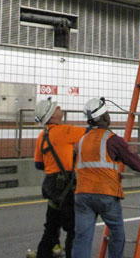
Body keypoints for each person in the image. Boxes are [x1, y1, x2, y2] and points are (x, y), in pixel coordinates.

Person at [72, 97, 140, 258]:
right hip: (105, 194)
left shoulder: (82, 140)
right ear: (104, 117)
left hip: (82, 194)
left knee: (82, 237)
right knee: (117, 233)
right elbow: (134, 162)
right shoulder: (112, 139)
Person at [34, 98, 86, 258]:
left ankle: (44, 254)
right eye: (56, 107)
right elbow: (92, 133)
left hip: (50, 186)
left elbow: (38, 164)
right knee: (73, 229)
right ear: (52, 116)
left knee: (51, 225)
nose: (59, 107)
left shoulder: (42, 136)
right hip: (66, 187)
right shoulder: (65, 131)